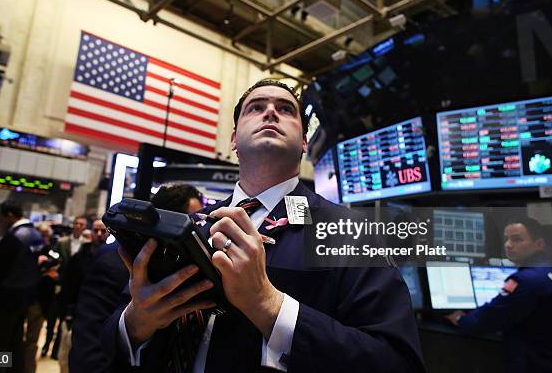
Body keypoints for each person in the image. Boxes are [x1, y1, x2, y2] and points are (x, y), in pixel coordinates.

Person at [103, 79, 425, 372]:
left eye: (285, 109)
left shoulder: (348, 232)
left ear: (303, 142)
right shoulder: (189, 229)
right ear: (233, 140)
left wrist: (269, 305)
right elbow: (105, 343)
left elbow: (396, 362)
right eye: (255, 108)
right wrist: (135, 324)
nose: (270, 112)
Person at [69, 183, 204, 373]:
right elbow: (88, 350)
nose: (200, 231)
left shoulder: (184, 268)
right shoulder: (114, 261)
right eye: (194, 223)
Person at [445, 217, 552, 372]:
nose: (508, 245)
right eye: (506, 239)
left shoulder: (523, 281)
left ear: (539, 244)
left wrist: (460, 318)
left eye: (516, 239)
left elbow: (484, 321)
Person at [0, 201, 43, 373]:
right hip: (23, 299)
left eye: (1, 216)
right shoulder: (35, 234)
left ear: (9, 215)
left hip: (3, 301)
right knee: (14, 345)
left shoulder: (14, 237)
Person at [57, 219, 108, 373]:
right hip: (74, 314)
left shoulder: (113, 256)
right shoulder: (79, 257)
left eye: (102, 231)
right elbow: (67, 286)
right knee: (65, 357)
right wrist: (64, 311)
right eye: (96, 230)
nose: (99, 234)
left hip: (98, 320)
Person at [42, 215, 89, 358]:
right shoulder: (62, 242)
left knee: (64, 321)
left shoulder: (86, 245)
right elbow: (53, 258)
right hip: (59, 284)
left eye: (81, 224)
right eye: (76, 223)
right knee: (51, 318)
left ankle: (56, 350)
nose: (78, 226)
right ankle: (46, 345)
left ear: (85, 227)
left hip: (74, 288)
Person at [23, 222, 59, 373]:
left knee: (32, 340)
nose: (44, 239)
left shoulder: (52, 252)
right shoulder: (27, 250)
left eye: (46, 236)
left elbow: (57, 273)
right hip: (23, 298)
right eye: (41, 235)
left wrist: (53, 275)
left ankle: (28, 369)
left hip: (40, 301)